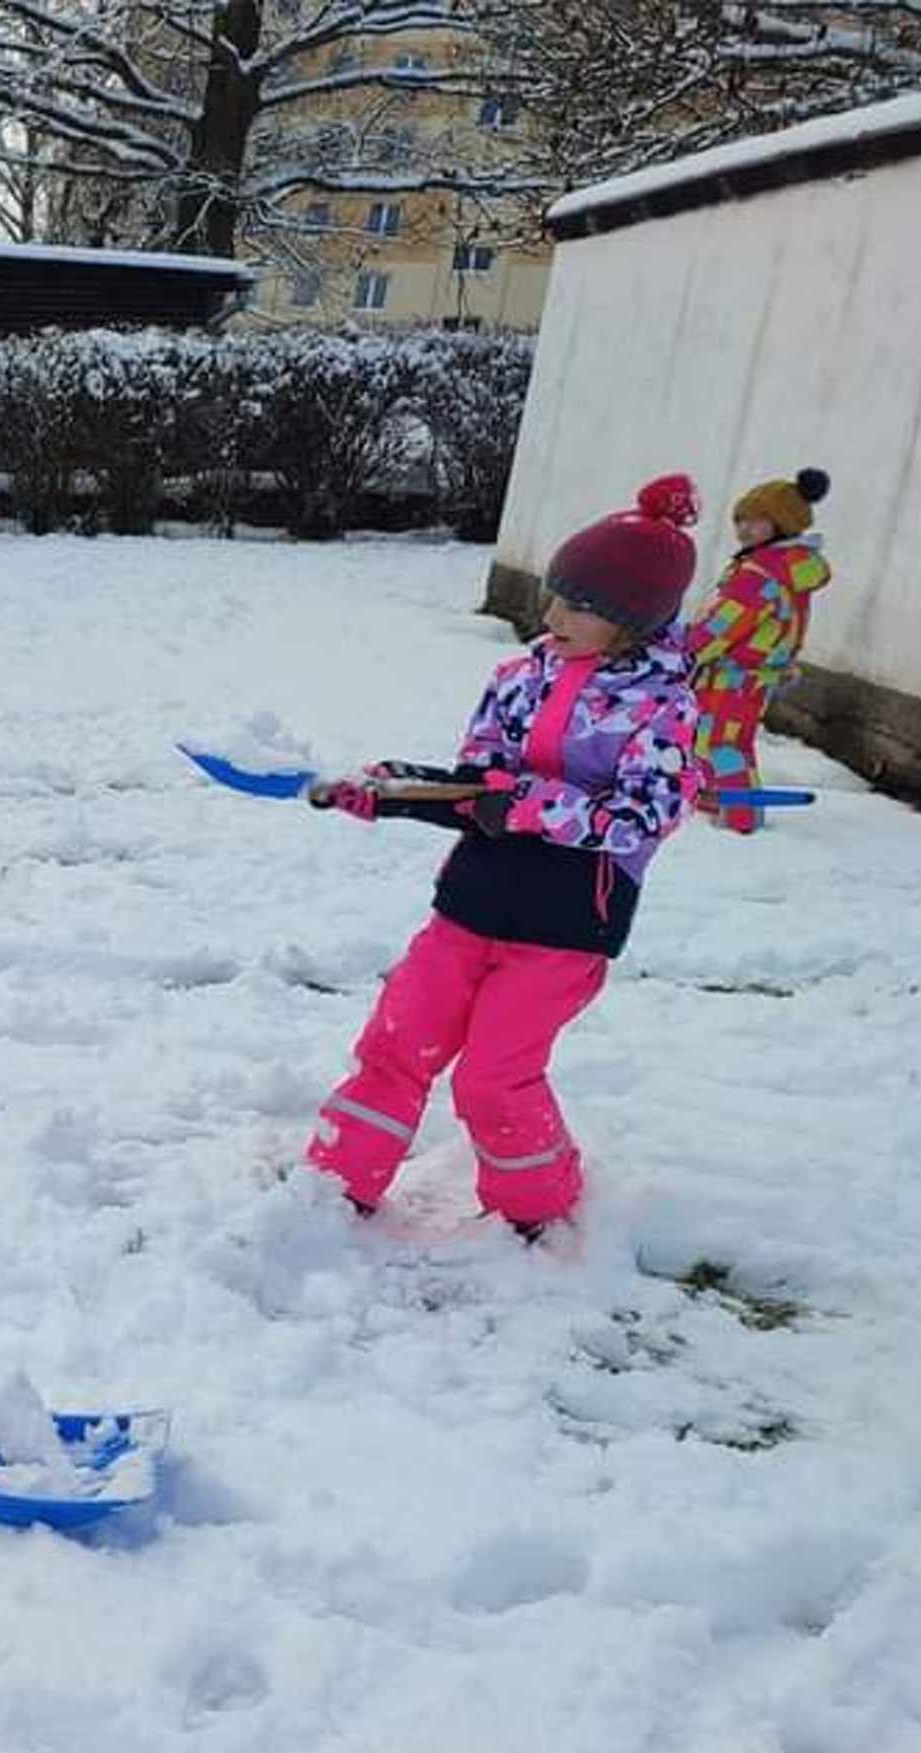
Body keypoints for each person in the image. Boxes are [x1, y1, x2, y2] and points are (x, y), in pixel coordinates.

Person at [305, 477, 705, 1236]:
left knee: (493, 1077)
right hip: (469, 905)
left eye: (579, 606)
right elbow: (476, 788)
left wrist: (528, 804)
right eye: (556, 596)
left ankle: (537, 1210)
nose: (553, 616)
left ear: (634, 622)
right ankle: (337, 1182)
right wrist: (391, 792)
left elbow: (645, 817)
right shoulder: (520, 680)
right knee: (396, 1043)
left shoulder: (663, 709)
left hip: (563, 929)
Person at [687, 467, 832, 835]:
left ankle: (741, 816)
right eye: (740, 520)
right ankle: (716, 797)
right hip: (750, 670)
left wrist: (689, 650)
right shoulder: (786, 567)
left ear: (782, 523)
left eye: (756, 521)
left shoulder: (762, 572)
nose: (744, 529)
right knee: (712, 734)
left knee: (723, 742)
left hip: (736, 670)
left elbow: (726, 623)